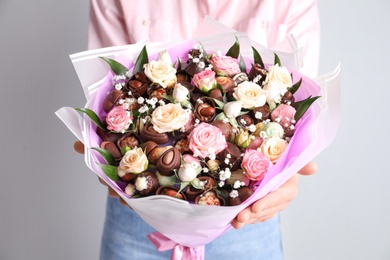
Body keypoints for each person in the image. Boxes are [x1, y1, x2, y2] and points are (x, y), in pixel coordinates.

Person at [76, 0, 320, 259]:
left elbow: (297, 112)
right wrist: (102, 158)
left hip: (248, 223)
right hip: (138, 218)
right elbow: (109, 90)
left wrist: (288, 178)